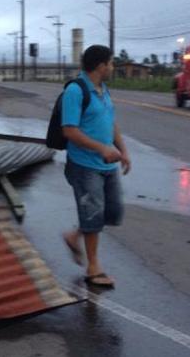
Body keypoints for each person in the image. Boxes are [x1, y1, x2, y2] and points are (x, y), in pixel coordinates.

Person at [61, 44, 130, 288]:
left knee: (112, 212)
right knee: (93, 215)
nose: (112, 67)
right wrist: (101, 148)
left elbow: (110, 123)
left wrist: (123, 151)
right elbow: (69, 130)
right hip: (84, 165)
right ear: (101, 66)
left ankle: (74, 235)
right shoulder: (75, 91)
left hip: (107, 164)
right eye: (111, 63)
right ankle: (93, 268)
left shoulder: (103, 90)